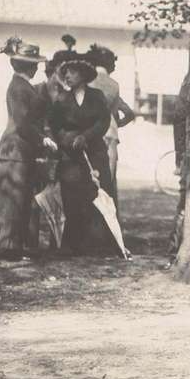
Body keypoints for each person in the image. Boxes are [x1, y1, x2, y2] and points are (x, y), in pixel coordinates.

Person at [0, 37, 58, 260]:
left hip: (19, 150)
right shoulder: (18, 87)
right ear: (28, 66)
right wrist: (43, 140)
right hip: (15, 150)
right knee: (12, 198)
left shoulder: (23, 86)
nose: (37, 67)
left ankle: (11, 246)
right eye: (34, 63)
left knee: (17, 198)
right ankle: (6, 248)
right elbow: (22, 122)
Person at [49, 52, 118, 255]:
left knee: (96, 196)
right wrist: (68, 139)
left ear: (83, 75)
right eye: (65, 72)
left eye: (72, 72)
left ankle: (97, 245)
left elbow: (103, 122)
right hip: (71, 158)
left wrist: (86, 137)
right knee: (71, 199)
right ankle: (72, 245)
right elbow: (54, 125)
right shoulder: (61, 99)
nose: (67, 76)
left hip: (95, 155)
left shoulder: (96, 97)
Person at [86, 44, 135, 191]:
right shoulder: (114, 85)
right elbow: (128, 113)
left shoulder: (87, 81)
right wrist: (117, 123)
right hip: (110, 134)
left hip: (90, 135)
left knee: (89, 180)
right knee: (108, 183)